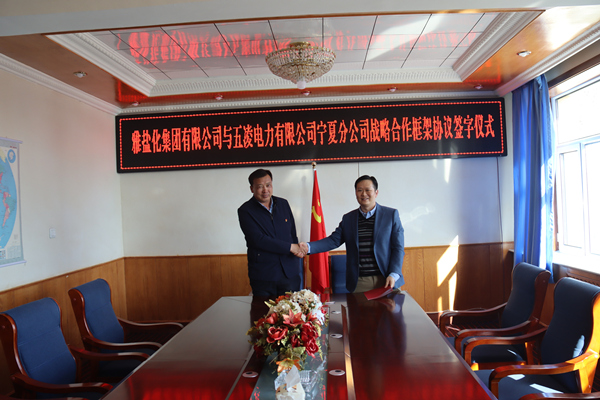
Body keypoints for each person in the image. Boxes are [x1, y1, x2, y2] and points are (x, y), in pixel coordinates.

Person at [300, 175, 404, 293]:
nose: (364, 194)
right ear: (355, 193)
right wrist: (308, 247)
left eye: (368, 190)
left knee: (391, 306)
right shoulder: (348, 219)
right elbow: (333, 241)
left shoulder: (391, 215)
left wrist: (394, 274)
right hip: (360, 282)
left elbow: (398, 248)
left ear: (376, 192)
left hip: (387, 279)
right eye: (360, 190)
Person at [238, 168, 306, 296]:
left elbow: (292, 233)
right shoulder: (245, 211)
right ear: (252, 189)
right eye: (260, 187)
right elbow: (258, 240)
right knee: (263, 309)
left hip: (289, 273)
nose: (265, 190)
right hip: (264, 275)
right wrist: (290, 247)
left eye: (268, 185)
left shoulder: (283, 204)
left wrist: (297, 250)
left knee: (292, 308)